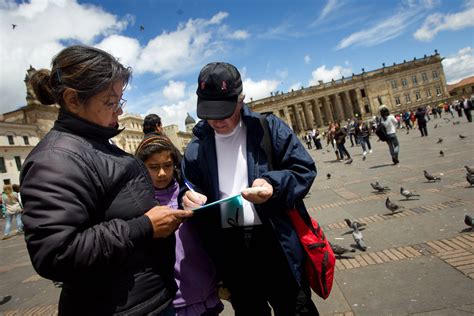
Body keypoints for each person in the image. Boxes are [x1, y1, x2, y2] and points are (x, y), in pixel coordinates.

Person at [20, 45, 193, 315]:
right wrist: (145, 227)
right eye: (110, 102)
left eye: (119, 101)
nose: (119, 112)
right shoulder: (54, 160)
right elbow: (56, 254)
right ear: (73, 99)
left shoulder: (95, 144)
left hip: (146, 300)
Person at [181, 62, 319, 315]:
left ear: (241, 99)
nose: (216, 120)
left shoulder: (269, 128)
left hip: (275, 239)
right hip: (231, 250)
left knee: (295, 308)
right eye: (209, 112)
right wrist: (187, 197)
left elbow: (303, 169)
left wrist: (272, 184)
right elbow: (188, 184)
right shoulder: (197, 145)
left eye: (223, 111)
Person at [135, 135, 223, 316]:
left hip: (208, 289)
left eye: (167, 165)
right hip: (173, 300)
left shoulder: (189, 195)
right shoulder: (140, 204)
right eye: (153, 167)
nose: (161, 173)